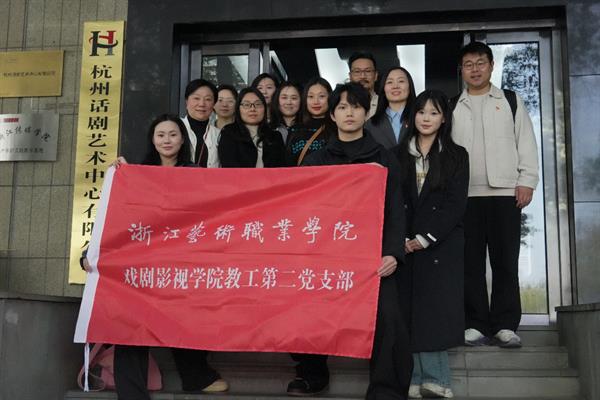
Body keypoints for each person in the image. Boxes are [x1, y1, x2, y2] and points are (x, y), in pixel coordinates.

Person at [81, 114, 228, 399]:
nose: (167, 140)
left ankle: (195, 375)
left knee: (183, 319)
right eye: (161, 135)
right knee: (129, 325)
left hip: (181, 264)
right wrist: (92, 253)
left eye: (173, 134)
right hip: (143, 266)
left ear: (183, 139)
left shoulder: (196, 174)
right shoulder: (135, 174)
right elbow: (116, 219)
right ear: (152, 140)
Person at [287, 82, 412, 399]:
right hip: (326, 257)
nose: (349, 113)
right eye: (342, 107)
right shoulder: (317, 161)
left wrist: (393, 253)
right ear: (332, 114)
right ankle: (313, 374)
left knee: (389, 317)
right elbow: (304, 210)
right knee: (305, 307)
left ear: (367, 112)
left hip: (374, 259)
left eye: (356, 106)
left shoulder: (385, 158)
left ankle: (385, 389)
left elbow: (396, 209)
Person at [452, 41, 539, 348]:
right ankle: (475, 323)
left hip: (505, 193)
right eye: (468, 64)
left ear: (491, 66)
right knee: (470, 263)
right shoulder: (452, 105)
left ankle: (505, 325)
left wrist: (527, 180)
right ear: (461, 70)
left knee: (505, 261)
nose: (475, 69)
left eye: (480, 63)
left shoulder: (510, 100)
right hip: (465, 196)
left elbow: (525, 142)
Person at [394, 90, 469, 399]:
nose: (426, 118)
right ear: (412, 116)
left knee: (432, 312)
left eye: (434, 112)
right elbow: (391, 200)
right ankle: (417, 379)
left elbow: (455, 204)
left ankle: (436, 380)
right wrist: (400, 238)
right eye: (421, 111)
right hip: (403, 243)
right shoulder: (396, 154)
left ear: (444, 119)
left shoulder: (456, 155)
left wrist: (425, 238)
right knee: (408, 312)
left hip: (440, 244)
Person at [218, 87, 286, 168]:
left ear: (264, 108)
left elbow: (282, 168)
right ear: (238, 109)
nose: (252, 109)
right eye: (246, 105)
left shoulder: (275, 136)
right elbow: (229, 167)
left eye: (258, 104)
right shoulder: (229, 133)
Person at [285, 77, 335, 166]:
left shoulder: (337, 128)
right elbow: (287, 164)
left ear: (330, 98)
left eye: (321, 96)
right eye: (311, 96)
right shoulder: (295, 129)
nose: (316, 101)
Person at [367, 67, 416, 149]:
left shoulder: (420, 119)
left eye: (401, 81)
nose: (395, 86)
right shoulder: (371, 124)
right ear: (383, 88)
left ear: (410, 86)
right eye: (389, 82)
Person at [181, 79, 221, 167]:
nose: (202, 104)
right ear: (186, 101)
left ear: (214, 104)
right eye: (196, 98)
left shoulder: (219, 135)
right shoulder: (175, 129)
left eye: (208, 99)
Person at [348, 52, 379, 119]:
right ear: (350, 76)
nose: (363, 76)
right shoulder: (341, 103)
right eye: (357, 71)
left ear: (376, 76)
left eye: (368, 71)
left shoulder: (385, 103)